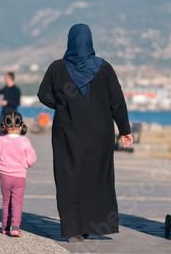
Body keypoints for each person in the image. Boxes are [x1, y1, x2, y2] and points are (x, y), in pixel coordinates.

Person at [37, 23, 133, 243]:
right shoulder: (104, 67)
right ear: (89, 40)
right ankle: (90, 224)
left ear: (70, 40)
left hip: (67, 133)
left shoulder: (57, 67)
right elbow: (117, 101)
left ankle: (73, 229)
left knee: (68, 178)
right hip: (100, 134)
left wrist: (61, 105)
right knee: (96, 177)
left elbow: (43, 94)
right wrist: (125, 130)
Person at [0, 111, 37, 237]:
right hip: (19, 176)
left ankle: (5, 226)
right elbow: (31, 159)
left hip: (5, 175)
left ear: (4, 126)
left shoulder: (1, 139)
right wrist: (26, 164)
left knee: (6, 201)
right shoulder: (25, 141)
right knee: (17, 202)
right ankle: (15, 226)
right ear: (21, 126)